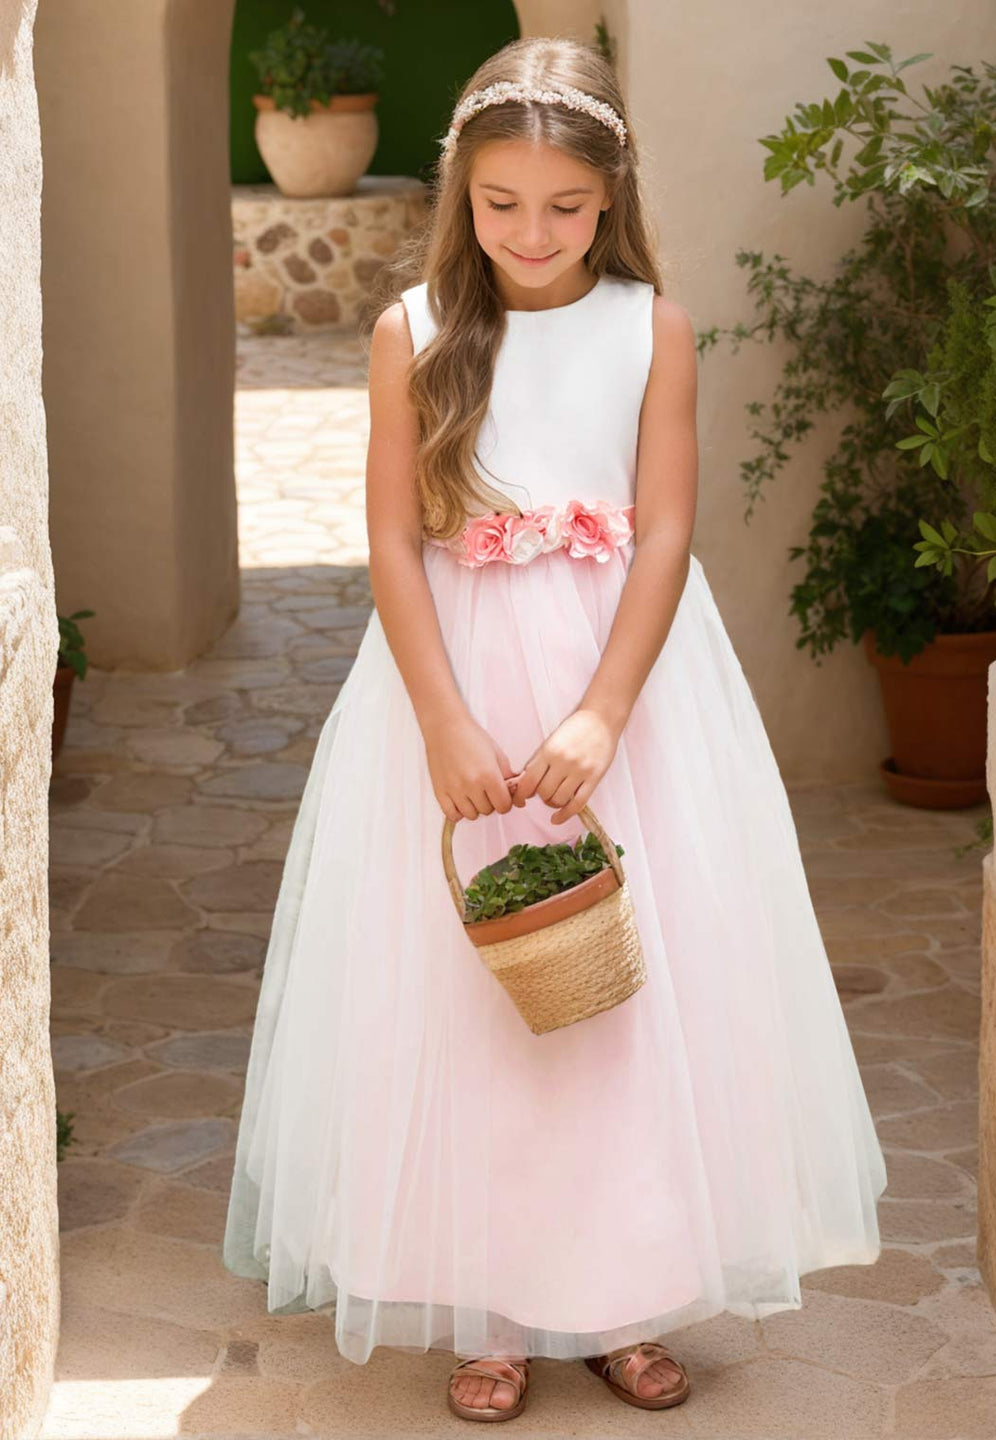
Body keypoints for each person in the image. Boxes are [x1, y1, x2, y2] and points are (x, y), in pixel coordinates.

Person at [221, 33, 888, 1425]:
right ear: (461, 194)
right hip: (456, 685)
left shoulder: (652, 329)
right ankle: (493, 1307)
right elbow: (394, 543)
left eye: (566, 207)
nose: (532, 233)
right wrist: (443, 723)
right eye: (501, 203)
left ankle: (623, 1297)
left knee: (625, 993)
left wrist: (603, 712)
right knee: (472, 1000)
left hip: (622, 690)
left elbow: (666, 534)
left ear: (611, 198)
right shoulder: (413, 331)